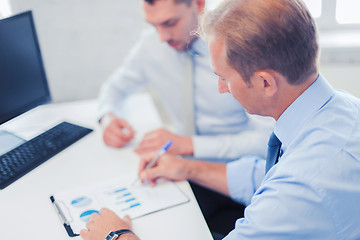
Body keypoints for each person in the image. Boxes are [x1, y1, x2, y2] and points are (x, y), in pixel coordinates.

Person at [81, 0, 360, 239]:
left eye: (224, 78)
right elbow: (266, 175)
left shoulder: (298, 188)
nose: (221, 89)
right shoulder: (341, 107)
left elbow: (287, 188)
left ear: (265, 83)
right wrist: (187, 168)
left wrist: (116, 235)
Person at [98, 0, 273, 162]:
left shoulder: (239, 47)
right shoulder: (149, 45)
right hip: (179, 166)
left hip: (237, 170)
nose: (162, 37)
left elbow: (265, 140)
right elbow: (116, 87)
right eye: (154, 26)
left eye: (170, 23)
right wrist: (108, 117)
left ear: (199, 4)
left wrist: (189, 145)